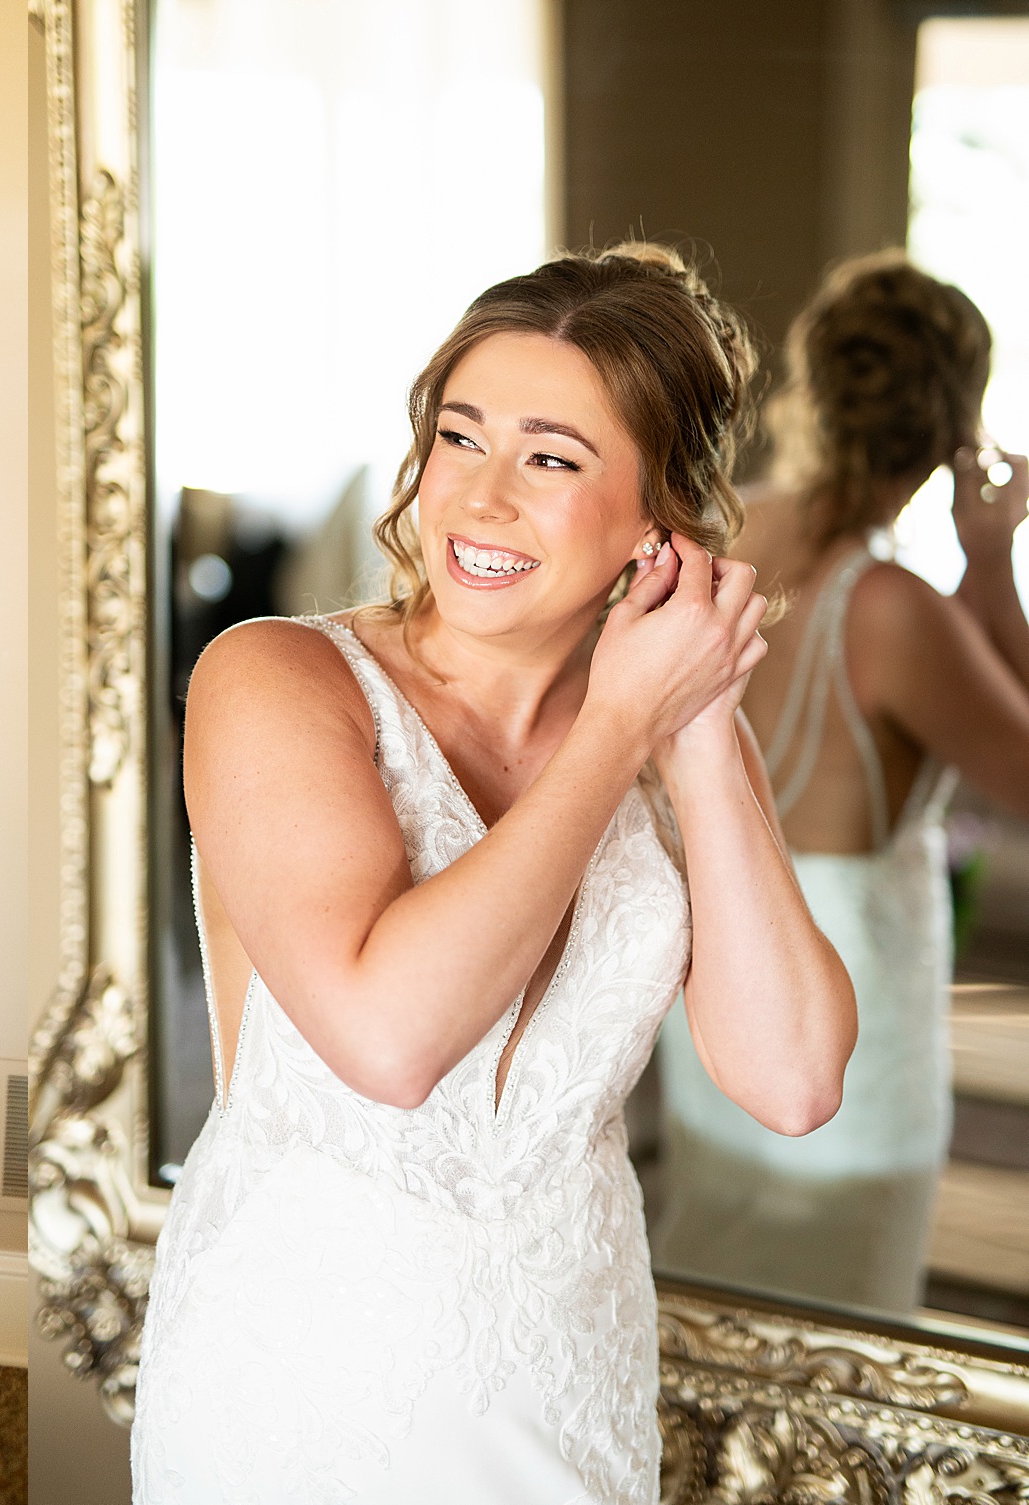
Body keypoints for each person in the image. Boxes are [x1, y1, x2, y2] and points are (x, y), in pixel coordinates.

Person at [129, 245, 855, 1504]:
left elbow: (790, 1081)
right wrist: (618, 727)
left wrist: (695, 729)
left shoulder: (671, 729)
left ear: (658, 518)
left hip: (568, 1390)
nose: (478, 496)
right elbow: (388, 1039)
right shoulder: (276, 678)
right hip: (294, 1393)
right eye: (458, 438)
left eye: (550, 459)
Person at [654, 253, 1029, 1312]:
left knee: (714, 1309)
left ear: (810, 383)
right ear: (955, 426)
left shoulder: (725, 534)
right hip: (844, 1051)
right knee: (846, 1337)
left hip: (718, 997)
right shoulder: (898, 611)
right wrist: (991, 559)